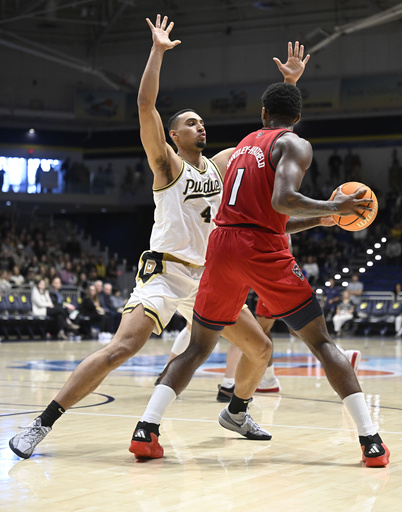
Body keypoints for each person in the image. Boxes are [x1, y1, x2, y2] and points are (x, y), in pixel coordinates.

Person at [10, 14, 308, 460]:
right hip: (165, 274)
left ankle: (237, 411)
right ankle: (41, 423)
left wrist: (289, 85)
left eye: (202, 122)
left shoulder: (223, 163)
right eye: (190, 123)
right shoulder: (167, 165)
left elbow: (271, 137)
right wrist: (157, 51)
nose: (200, 126)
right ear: (173, 135)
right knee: (121, 348)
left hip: (209, 280)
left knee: (262, 349)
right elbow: (145, 106)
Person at [128, 23, 389, 466]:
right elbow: (283, 201)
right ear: (297, 119)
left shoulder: (247, 145)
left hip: (222, 248)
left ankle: (147, 430)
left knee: (197, 347)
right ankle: (371, 441)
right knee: (323, 343)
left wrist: (323, 215)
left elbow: (272, 218)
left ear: (262, 112)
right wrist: (333, 204)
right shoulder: (294, 143)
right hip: (259, 251)